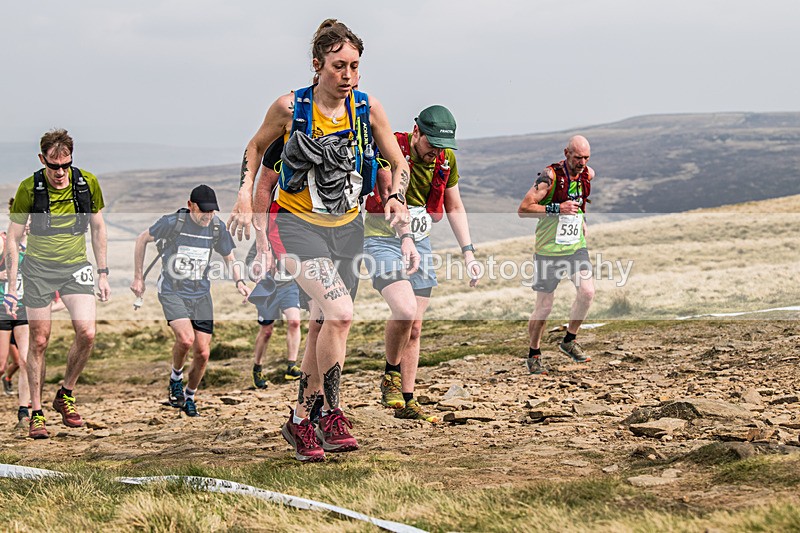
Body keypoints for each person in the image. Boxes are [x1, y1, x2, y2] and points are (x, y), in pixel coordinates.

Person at [235, 19, 411, 462]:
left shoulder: (368, 109)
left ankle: (300, 421)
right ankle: (332, 411)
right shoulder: (290, 107)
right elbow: (255, 148)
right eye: (338, 66)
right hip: (295, 225)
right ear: (318, 65)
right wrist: (243, 193)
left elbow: (398, 159)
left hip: (347, 228)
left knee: (323, 324)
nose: (347, 74)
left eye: (354, 65)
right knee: (340, 312)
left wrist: (396, 196)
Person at [363, 105, 480, 423]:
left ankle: (408, 400)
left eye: (443, 147)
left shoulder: (445, 159)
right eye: (431, 145)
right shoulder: (392, 150)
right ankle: (390, 375)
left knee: (415, 327)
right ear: (416, 132)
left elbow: (454, 205)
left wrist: (468, 252)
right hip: (381, 238)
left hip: (422, 242)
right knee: (404, 310)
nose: (436, 153)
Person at [5, 128, 111, 439]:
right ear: (42, 160)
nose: (60, 172)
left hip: (76, 268)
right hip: (37, 270)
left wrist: (103, 272)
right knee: (39, 341)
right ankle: (36, 412)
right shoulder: (29, 188)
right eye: (53, 166)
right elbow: (12, 238)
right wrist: (13, 286)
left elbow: (98, 227)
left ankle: (65, 393)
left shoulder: (86, 183)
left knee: (87, 332)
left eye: (65, 165)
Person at [130, 185, 250, 416]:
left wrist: (240, 282)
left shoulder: (216, 227)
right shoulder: (173, 223)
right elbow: (141, 239)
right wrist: (138, 278)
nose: (208, 215)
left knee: (203, 353)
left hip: (201, 294)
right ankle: (175, 378)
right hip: (173, 291)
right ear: (190, 205)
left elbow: (229, 257)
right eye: (203, 211)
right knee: (186, 340)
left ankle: (189, 396)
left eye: (212, 211)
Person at [517, 135, 596, 374]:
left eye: (586, 157)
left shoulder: (588, 175)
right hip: (548, 251)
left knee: (587, 292)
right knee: (544, 308)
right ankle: (534, 353)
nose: (582, 162)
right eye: (577, 157)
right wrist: (556, 208)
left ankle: (569, 340)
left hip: (575, 248)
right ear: (566, 153)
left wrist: (581, 218)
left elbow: (580, 200)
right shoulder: (549, 177)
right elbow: (523, 209)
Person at [246, 243, 303, 387]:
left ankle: (292, 366)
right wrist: (258, 271)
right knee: (266, 331)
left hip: (290, 286)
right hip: (268, 288)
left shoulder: (292, 232)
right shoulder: (265, 236)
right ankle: (257, 368)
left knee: (295, 322)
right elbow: (250, 260)